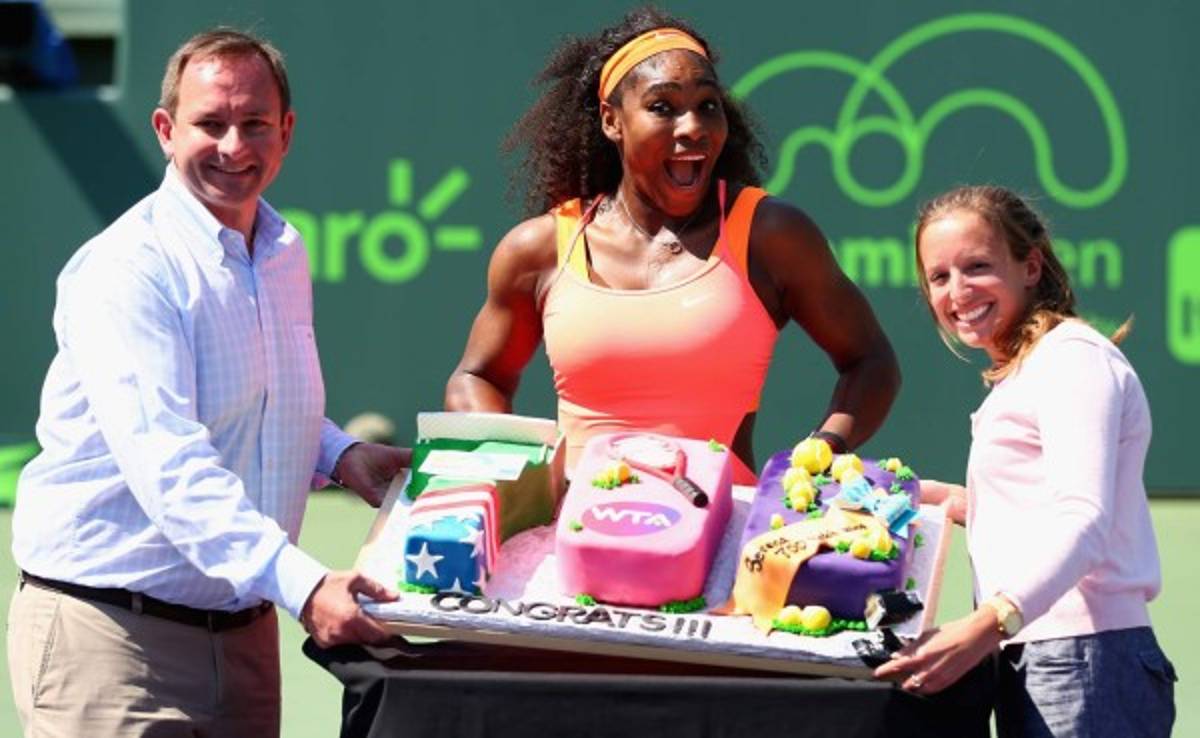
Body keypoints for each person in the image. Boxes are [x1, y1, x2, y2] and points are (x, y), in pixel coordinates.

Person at [7, 28, 408, 737]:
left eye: (254, 123)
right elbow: (168, 460)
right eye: (210, 124)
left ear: (285, 132)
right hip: (110, 640)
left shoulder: (282, 251)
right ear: (165, 130)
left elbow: (256, 400)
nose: (234, 146)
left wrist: (341, 455)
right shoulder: (126, 269)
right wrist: (307, 585)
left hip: (245, 644)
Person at [446, 6, 899, 482]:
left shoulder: (770, 235)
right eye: (663, 107)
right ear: (611, 120)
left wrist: (822, 449)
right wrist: (519, 474)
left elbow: (870, 360)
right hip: (575, 534)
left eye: (708, 104)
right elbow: (478, 378)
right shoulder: (537, 249)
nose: (693, 127)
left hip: (721, 540)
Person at [875, 185, 1176, 736]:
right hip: (1041, 653)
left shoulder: (1070, 359)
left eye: (978, 267)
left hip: (1082, 658)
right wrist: (933, 499)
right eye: (939, 277)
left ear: (1030, 266)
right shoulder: (1029, 370)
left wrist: (989, 623)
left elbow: (1083, 517)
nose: (957, 292)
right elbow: (1035, 509)